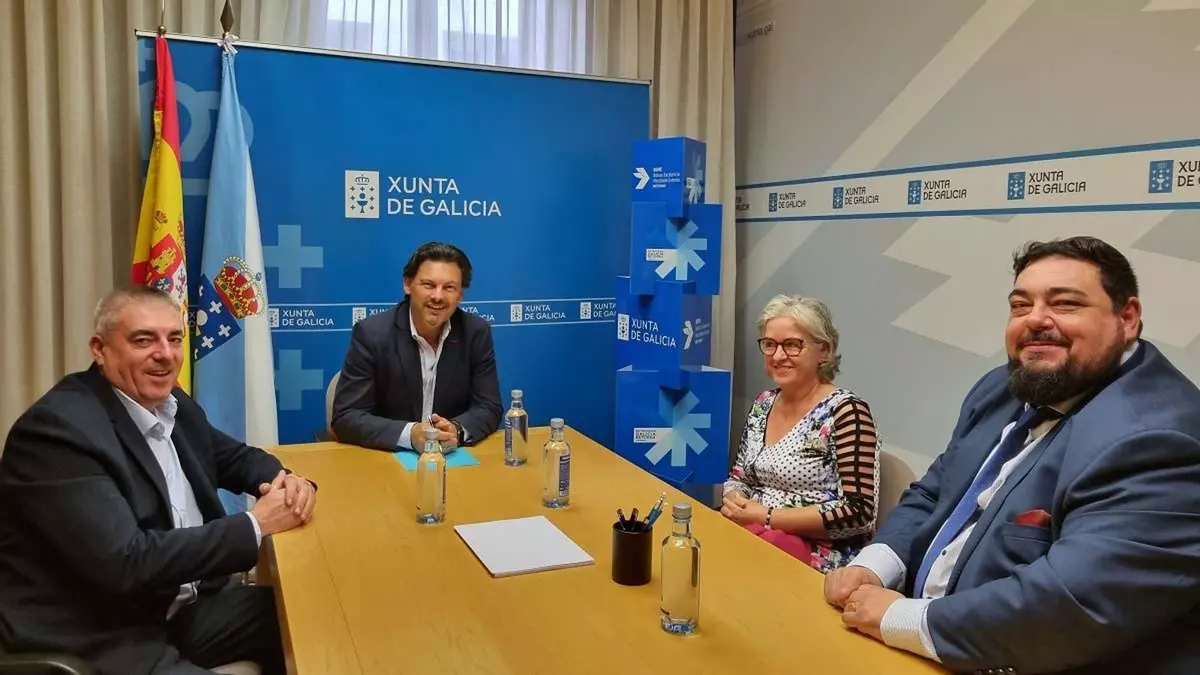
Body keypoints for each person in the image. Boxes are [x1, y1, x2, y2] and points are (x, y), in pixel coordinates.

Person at [827, 236, 1200, 674]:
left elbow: (1073, 605)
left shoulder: (1159, 439)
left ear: (1128, 317)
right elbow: (936, 491)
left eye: (1065, 304)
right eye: (1021, 306)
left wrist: (898, 618)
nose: (1036, 320)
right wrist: (874, 566)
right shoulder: (1003, 387)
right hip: (926, 648)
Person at [0, 285, 317, 675]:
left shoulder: (170, 404)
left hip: (176, 609)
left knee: (312, 615)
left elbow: (235, 459)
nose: (165, 354)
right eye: (143, 340)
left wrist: (284, 481)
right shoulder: (58, 432)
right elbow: (127, 561)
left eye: (174, 339)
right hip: (101, 634)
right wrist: (256, 524)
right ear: (99, 349)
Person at [722, 295, 881, 573]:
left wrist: (768, 517)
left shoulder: (847, 412)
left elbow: (859, 513)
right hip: (755, 534)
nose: (778, 356)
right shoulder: (763, 404)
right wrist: (736, 498)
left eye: (792, 345)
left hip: (819, 554)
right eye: (770, 344)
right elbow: (739, 477)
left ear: (824, 351)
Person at [331, 241, 502, 452]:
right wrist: (410, 435)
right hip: (386, 458)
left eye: (449, 288)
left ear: (460, 295)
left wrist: (456, 430)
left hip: (450, 458)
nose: (438, 296)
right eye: (428, 285)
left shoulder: (475, 332)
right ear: (408, 285)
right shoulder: (372, 334)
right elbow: (346, 416)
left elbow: (488, 406)